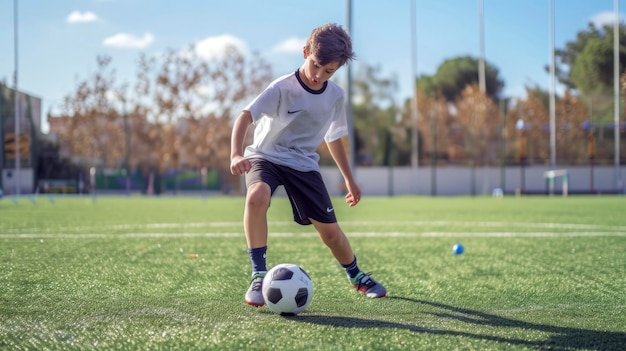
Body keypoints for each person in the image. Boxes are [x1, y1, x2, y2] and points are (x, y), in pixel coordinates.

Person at [230, 23, 387, 307]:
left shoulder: (336, 96)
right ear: (305, 52)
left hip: (303, 165)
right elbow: (244, 116)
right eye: (316, 65)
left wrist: (350, 179)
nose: (319, 76)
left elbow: (334, 138)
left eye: (329, 71)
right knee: (257, 196)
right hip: (265, 156)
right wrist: (236, 155)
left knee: (330, 233)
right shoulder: (281, 88)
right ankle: (258, 274)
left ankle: (357, 276)